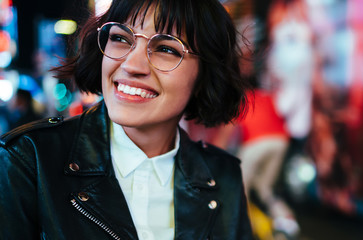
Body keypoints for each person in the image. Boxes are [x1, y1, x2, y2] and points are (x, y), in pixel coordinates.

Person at [0, 0, 253, 239]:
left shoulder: (223, 178)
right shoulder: (28, 160)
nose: (132, 65)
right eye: (121, 38)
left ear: (204, 75)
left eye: (166, 48)